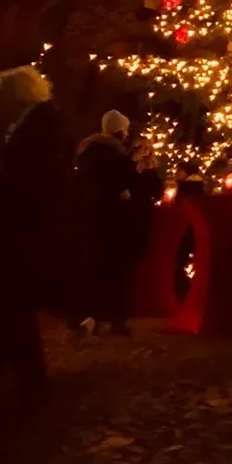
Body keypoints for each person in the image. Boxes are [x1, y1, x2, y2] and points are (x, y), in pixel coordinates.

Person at [0, 65, 71, 398]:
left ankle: (14, 377)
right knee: (12, 305)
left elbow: (31, 182)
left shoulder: (40, 131)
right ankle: (7, 372)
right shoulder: (35, 126)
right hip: (24, 231)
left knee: (10, 301)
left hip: (23, 232)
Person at [70, 110, 140, 337]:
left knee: (92, 268)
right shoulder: (116, 156)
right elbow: (124, 186)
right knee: (114, 271)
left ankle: (89, 316)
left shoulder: (86, 154)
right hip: (112, 221)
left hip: (89, 218)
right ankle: (112, 318)